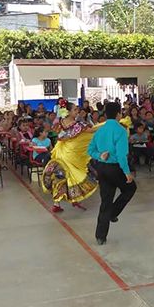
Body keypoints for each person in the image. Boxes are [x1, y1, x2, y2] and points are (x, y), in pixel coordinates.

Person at [88, 102, 137, 245]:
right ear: (118, 114)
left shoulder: (100, 130)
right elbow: (122, 155)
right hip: (116, 168)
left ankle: (100, 236)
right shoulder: (120, 130)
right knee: (130, 188)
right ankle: (113, 213)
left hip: (101, 168)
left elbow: (90, 150)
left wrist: (99, 156)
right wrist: (127, 172)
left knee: (105, 200)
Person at [41, 101, 99, 213]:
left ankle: (57, 203)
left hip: (61, 150)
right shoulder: (78, 124)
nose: (77, 111)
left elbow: (58, 135)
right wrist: (104, 125)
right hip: (70, 153)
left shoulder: (60, 122)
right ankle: (70, 199)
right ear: (68, 111)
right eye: (75, 110)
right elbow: (91, 130)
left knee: (61, 175)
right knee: (72, 175)